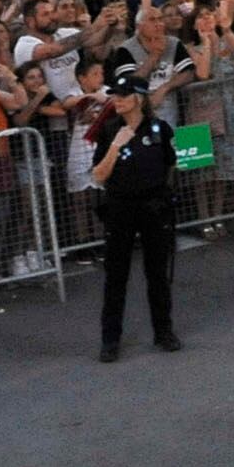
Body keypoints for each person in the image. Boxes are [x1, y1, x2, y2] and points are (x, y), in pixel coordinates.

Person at [89, 65, 180, 360]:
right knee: (116, 275)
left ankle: (163, 331)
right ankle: (110, 339)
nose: (118, 99)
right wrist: (116, 146)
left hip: (153, 207)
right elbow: (99, 176)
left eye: (124, 95)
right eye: (115, 94)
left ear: (139, 98)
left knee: (157, 273)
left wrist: (164, 199)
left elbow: (170, 164)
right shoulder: (108, 130)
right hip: (120, 207)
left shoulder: (159, 130)